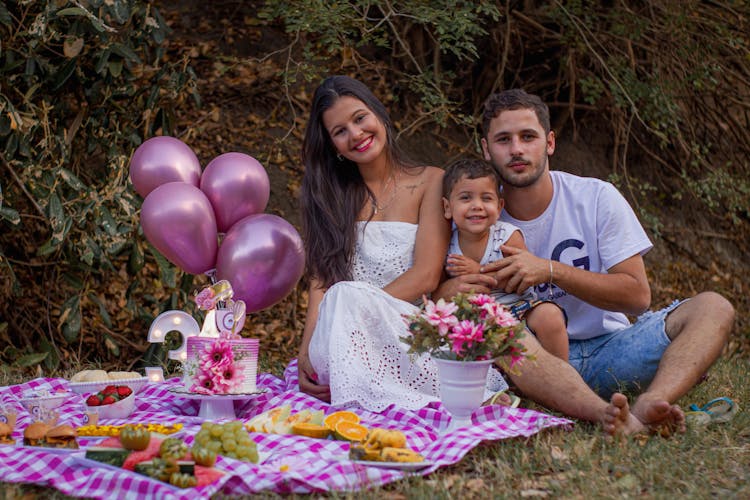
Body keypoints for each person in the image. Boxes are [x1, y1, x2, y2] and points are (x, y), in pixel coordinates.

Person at [436, 89, 734, 436]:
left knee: (714, 307)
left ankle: (651, 403)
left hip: (610, 349)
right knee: (492, 327)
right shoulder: (469, 211)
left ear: (549, 142)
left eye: (527, 137)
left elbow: (638, 296)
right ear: (487, 150)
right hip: (529, 360)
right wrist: (453, 287)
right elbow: (435, 290)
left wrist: (550, 270)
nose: (516, 149)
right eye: (503, 140)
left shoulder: (595, 197)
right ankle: (598, 411)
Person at [297, 76, 512, 411]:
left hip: (407, 327)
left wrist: (359, 311)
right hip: (343, 337)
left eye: (359, 118)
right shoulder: (329, 197)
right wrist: (307, 346)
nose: (355, 134)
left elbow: (427, 275)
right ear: (333, 146)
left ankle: (376, 399)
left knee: (346, 294)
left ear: (380, 116)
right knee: (341, 295)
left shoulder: (431, 181)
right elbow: (322, 282)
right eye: (340, 131)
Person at [442, 158, 568, 360]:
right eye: (466, 198)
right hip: (475, 320)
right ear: (447, 207)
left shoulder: (507, 235)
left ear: (499, 207)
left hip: (521, 309)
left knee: (550, 317)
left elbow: (522, 278)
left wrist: (478, 272)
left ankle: (563, 378)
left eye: (486, 198)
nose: (477, 206)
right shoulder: (446, 243)